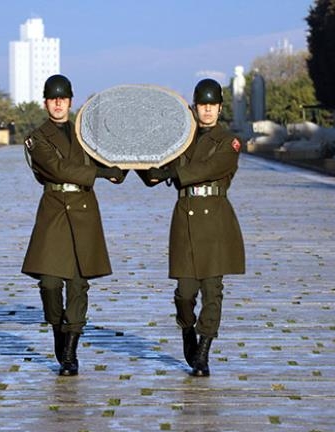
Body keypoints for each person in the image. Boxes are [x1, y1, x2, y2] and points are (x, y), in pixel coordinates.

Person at [22, 74, 125, 376]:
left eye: (63, 99)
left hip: (83, 209)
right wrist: (101, 174)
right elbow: (56, 168)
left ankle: (70, 351)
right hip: (54, 211)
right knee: (50, 284)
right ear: (45, 103)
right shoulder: (38, 137)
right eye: (53, 99)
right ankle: (58, 328)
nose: (58, 103)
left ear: (70, 101)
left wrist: (131, 168)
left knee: (79, 284)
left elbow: (113, 153)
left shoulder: (86, 134)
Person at [142, 78, 245, 377]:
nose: (208, 110)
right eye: (203, 105)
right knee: (185, 293)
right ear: (195, 107)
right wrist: (141, 164)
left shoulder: (229, 142)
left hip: (215, 220)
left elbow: (210, 169)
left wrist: (174, 172)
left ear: (220, 108)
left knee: (213, 291)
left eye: (213, 105)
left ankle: (203, 353)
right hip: (186, 217)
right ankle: (187, 329)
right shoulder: (181, 139)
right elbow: (155, 167)